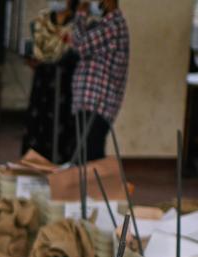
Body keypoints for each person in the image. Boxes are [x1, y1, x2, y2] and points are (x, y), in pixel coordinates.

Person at [69, 0, 129, 161]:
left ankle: (96, 186)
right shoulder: (103, 25)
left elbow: (79, 46)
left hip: (96, 104)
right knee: (87, 157)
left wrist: (81, 15)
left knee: (89, 158)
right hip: (91, 103)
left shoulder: (112, 27)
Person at [21, 0, 79, 163]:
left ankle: (62, 174)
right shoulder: (41, 21)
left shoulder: (78, 25)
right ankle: (34, 170)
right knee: (38, 127)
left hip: (68, 85)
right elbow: (34, 50)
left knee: (65, 130)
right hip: (43, 83)